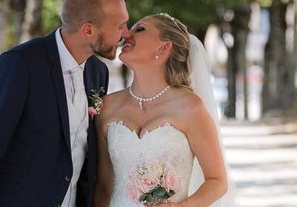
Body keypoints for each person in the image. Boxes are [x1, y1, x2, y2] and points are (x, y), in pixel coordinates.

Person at [0, 0, 130, 207]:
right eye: (120, 26)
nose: (126, 34)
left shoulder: (98, 73)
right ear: (88, 30)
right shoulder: (19, 65)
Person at [93, 13, 238, 207]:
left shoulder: (190, 107)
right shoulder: (107, 106)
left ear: (163, 48)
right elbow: (103, 186)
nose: (126, 34)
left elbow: (218, 181)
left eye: (140, 29)